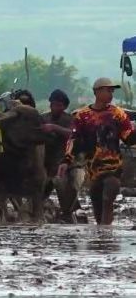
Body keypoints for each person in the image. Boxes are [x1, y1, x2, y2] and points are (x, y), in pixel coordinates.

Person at [58, 77, 136, 225]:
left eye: (112, 91)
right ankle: (103, 238)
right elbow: (73, 139)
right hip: (93, 170)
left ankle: (106, 233)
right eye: (108, 90)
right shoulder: (82, 116)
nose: (111, 94)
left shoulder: (118, 114)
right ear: (97, 92)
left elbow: (128, 138)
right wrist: (66, 160)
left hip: (113, 168)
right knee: (98, 208)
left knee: (108, 198)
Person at [41, 89, 78, 221]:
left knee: (63, 186)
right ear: (50, 104)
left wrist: (54, 128)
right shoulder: (43, 118)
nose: (56, 107)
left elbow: (73, 135)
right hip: (45, 161)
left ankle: (68, 213)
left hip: (63, 162)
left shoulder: (70, 119)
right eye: (54, 104)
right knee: (40, 191)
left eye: (59, 105)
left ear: (64, 106)